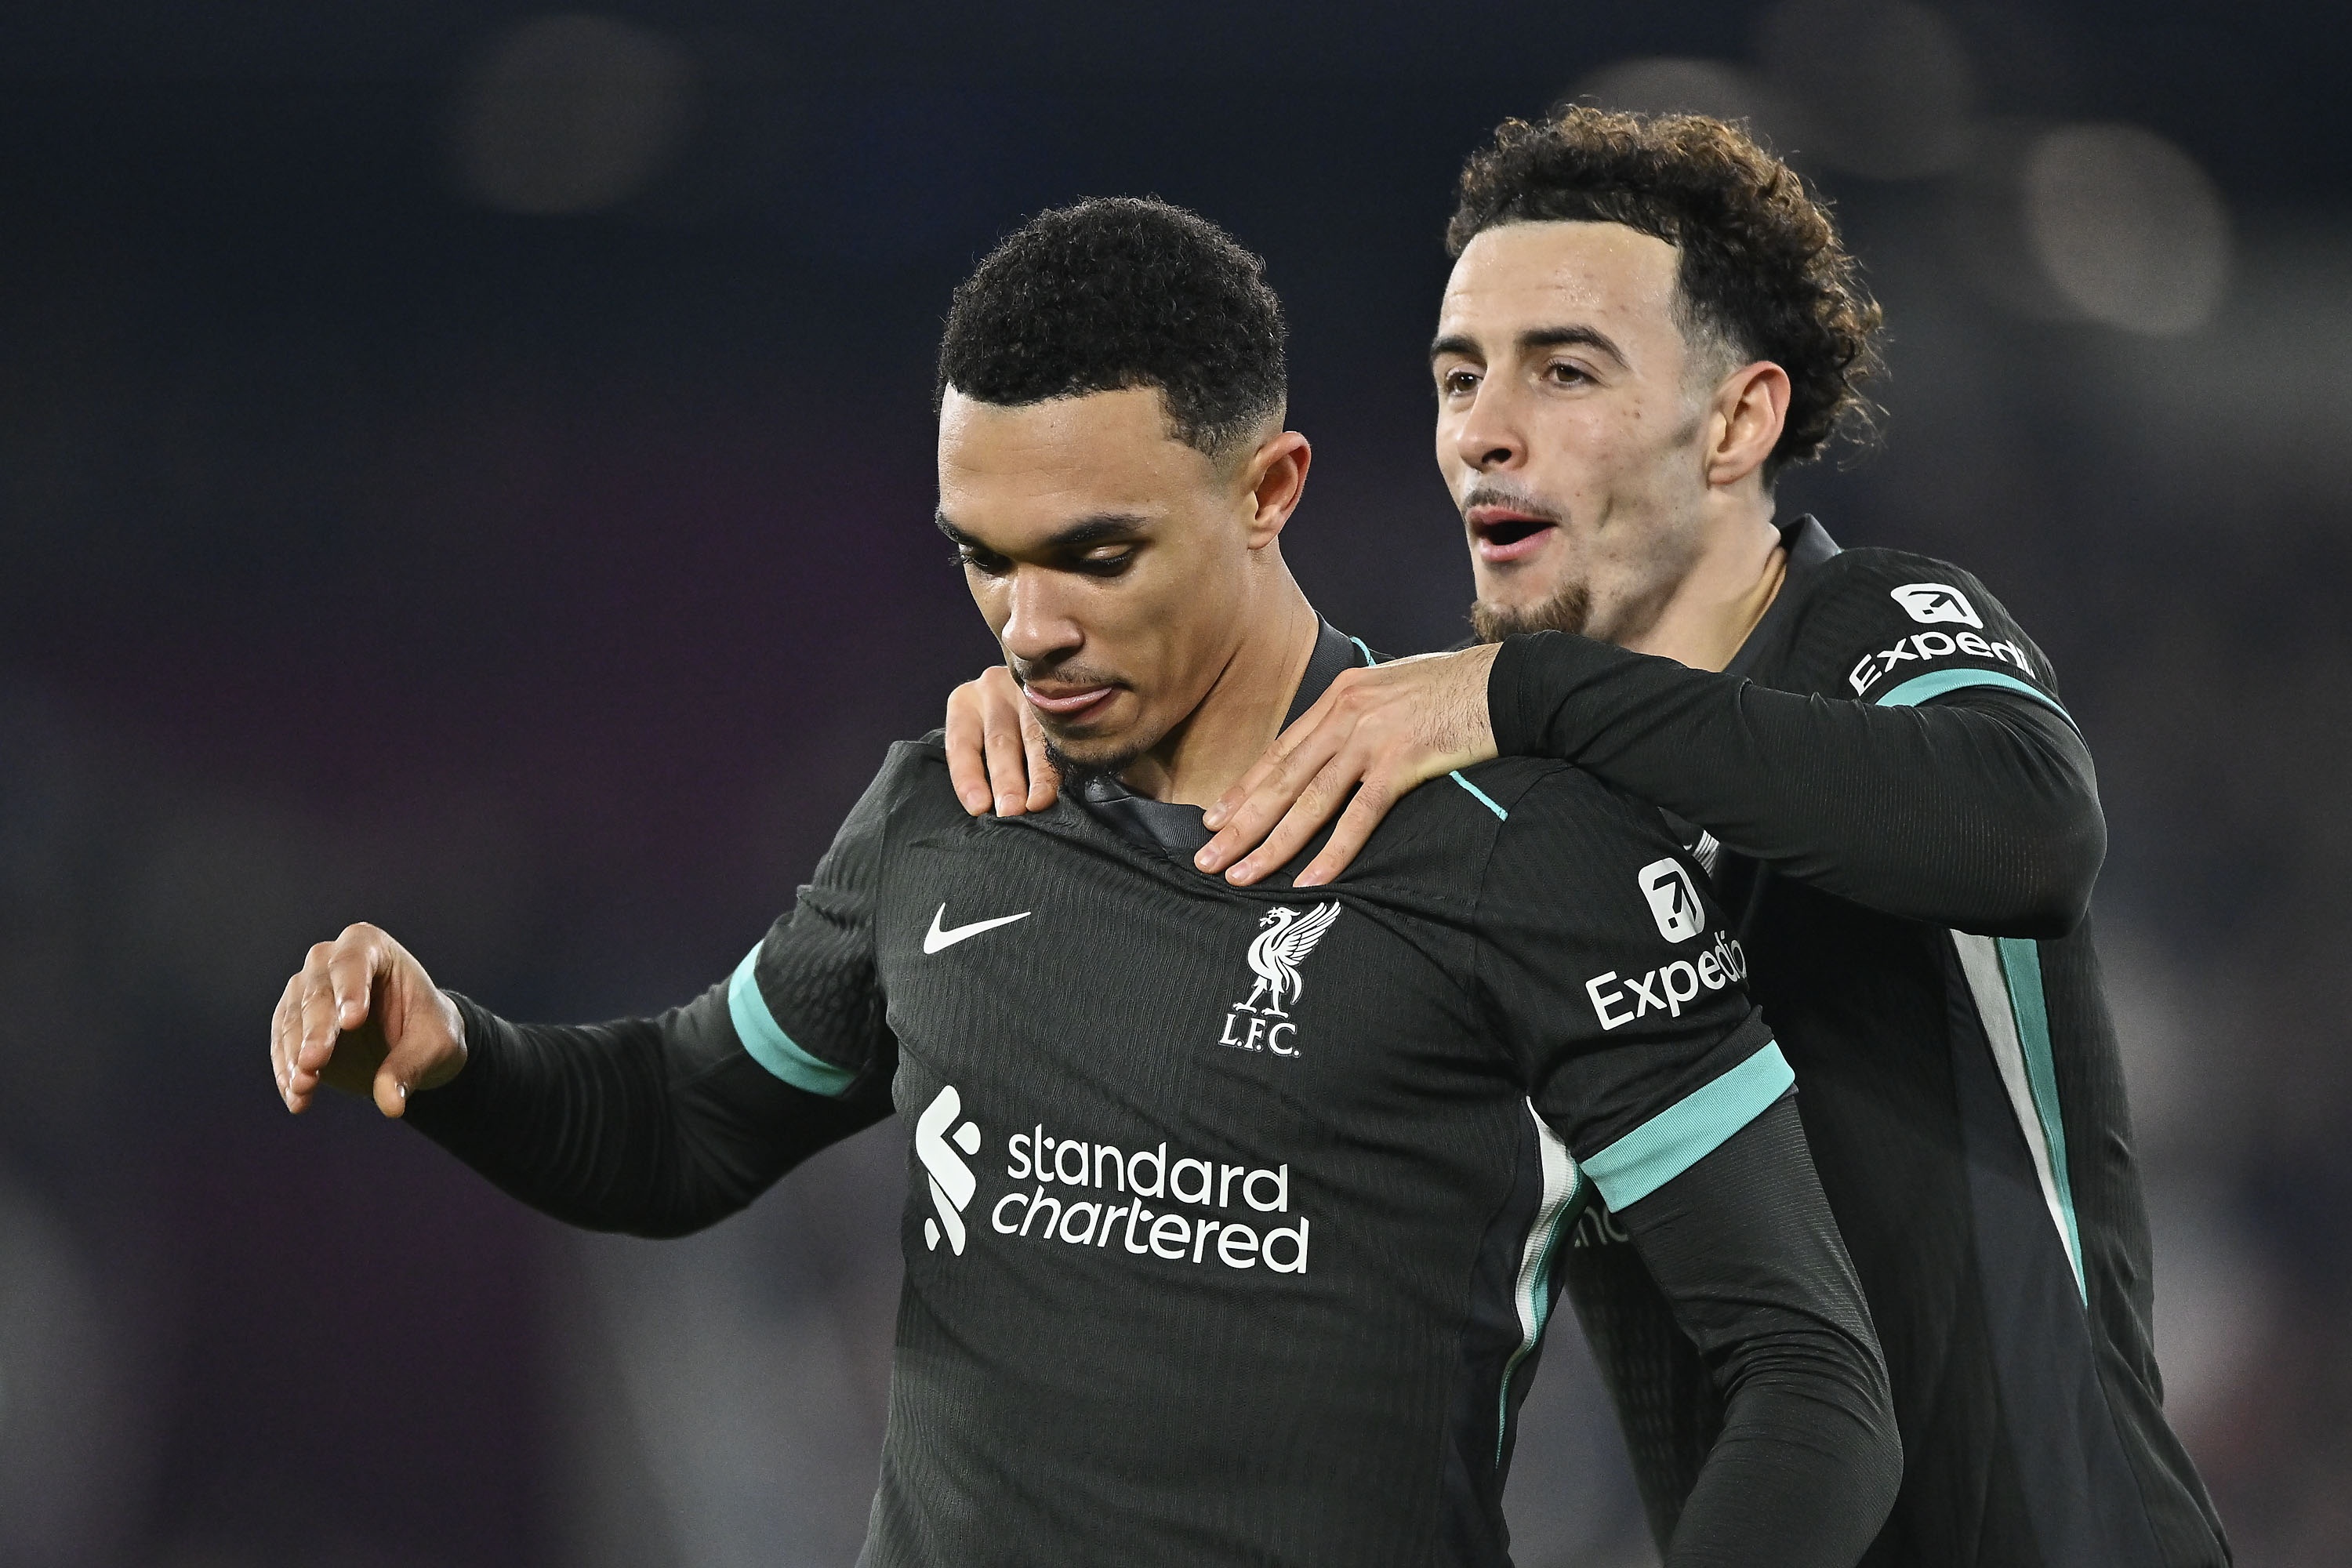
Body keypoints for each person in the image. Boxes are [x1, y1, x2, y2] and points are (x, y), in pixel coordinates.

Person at [269, 197, 1898, 1567]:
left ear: (1268, 491)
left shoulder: (1523, 852)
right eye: (983, 556)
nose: (1029, 628)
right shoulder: (947, 810)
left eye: (1096, 556)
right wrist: (458, 1059)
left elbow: (1811, 1377)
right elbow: (685, 1122)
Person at [945, 114, 2229, 1568]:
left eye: (1564, 371)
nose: (1484, 431)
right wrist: (1061, 730)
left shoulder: (1874, 633)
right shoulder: (1514, 827)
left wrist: (1528, 690)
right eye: (1460, 377)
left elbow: (2031, 833)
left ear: (1736, 424)